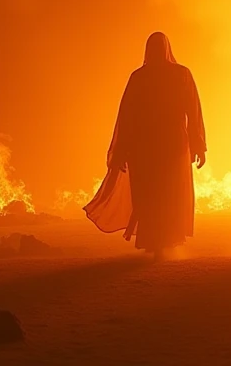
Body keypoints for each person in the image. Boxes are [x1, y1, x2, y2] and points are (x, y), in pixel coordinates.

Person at [85, 32, 207, 260]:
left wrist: (198, 143)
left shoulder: (144, 77)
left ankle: (161, 241)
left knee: (161, 194)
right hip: (164, 146)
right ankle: (160, 241)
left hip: (153, 147)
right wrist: (197, 143)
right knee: (161, 195)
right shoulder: (177, 74)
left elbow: (192, 111)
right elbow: (129, 116)